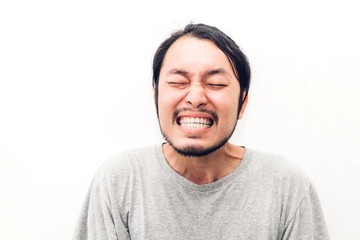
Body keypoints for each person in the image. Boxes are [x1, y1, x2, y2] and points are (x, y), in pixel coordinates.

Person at [73, 23, 330, 240]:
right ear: (156, 97)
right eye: (178, 82)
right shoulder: (119, 181)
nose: (195, 97)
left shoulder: (286, 186)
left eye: (216, 83)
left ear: (243, 104)